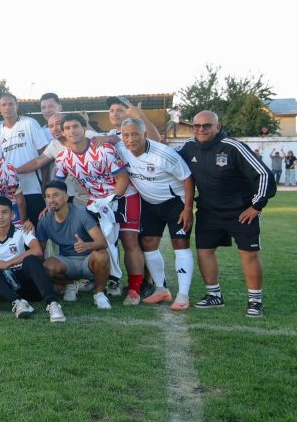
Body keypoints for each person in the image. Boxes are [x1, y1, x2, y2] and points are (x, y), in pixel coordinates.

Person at [178, 111, 276, 317]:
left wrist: (256, 206)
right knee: (204, 251)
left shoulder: (233, 147)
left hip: (241, 211)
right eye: (197, 126)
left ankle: (255, 301)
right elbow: (164, 156)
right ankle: (214, 295)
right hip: (208, 211)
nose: (201, 129)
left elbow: (264, 174)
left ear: (218, 127)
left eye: (207, 125)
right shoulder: (188, 147)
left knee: (249, 253)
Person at [53, 112, 141, 304]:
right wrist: (51, 204)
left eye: (75, 126)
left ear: (84, 128)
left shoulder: (103, 149)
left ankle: (133, 288)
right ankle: (102, 278)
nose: (72, 131)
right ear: (63, 132)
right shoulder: (63, 158)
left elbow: (123, 178)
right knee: (97, 241)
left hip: (123, 196)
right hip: (96, 202)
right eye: (67, 128)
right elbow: (57, 186)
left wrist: (110, 201)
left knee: (128, 241)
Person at [116, 118, 195, 309]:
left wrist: (187, 209)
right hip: (149, 203)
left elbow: (187, 177)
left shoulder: (164, 154)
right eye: (126, 135)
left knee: (180, 244)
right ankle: (161, 289)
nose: (130, 139)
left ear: (144, 135)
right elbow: (109, 140)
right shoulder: (121, 148)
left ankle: (183, 295)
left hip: (174, 202)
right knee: (148, 243)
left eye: (135, 134)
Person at [0, 197, 66, 323]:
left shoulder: (22, 230)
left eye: (4, 212)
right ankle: (17, 303)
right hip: (8, 286)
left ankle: (52, 304)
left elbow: (37, 250)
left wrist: (8, 263)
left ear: (12, 214)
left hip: (28, 284)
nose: (0, 217)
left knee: (30, 259)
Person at [36, 181, 113, 309]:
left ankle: (99, 294)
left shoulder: (81, 213)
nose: (51, 200)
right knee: (46, 266)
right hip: (66, 261)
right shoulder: (45, 221)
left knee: (102, 255)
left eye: (55, 195)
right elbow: (40, 252)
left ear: (66, 197)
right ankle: (69, 284)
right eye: (48, 196)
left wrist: (87, 246)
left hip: (88, 260)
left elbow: (102, 242)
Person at [0, 92, 50, 221]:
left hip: (34, 189)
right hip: (13, 192)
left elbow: (45, 154)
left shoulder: (29, 123)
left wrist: (45, 183)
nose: (7, 107)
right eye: (4, 105)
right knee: (19, 228)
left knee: (38, 227)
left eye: (11, 104)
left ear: (16, 106)